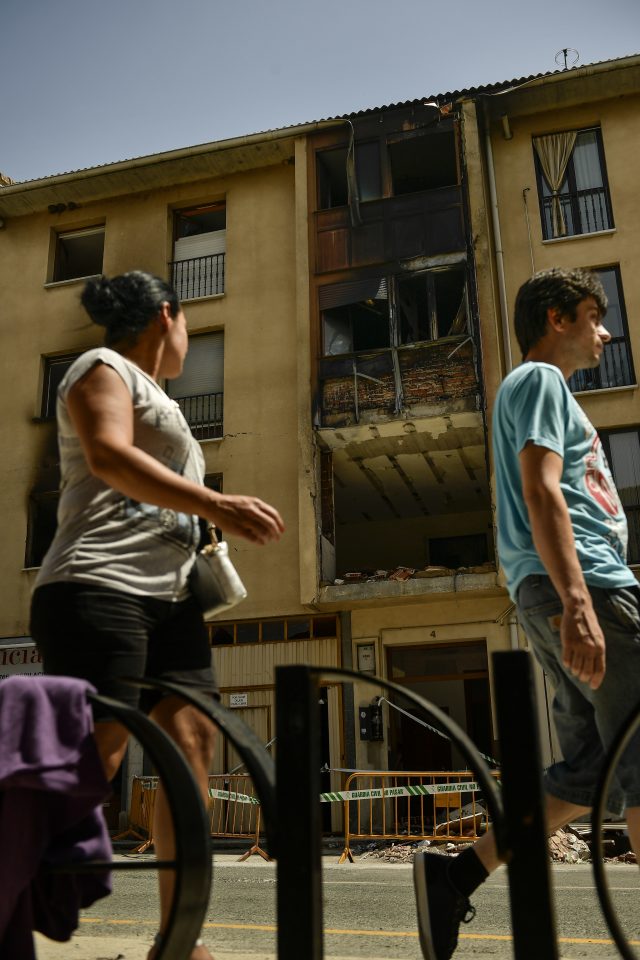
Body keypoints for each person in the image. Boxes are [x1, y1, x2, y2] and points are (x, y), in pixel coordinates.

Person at [30, 271, 285, 960]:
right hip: (97, 586)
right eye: (186, 325)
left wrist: (205, 529)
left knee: (192, 750)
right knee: (101, 754)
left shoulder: (164, 401)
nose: (188, 340)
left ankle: (180, 939)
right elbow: (110, 457)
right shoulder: (101, 366)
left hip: (170, 601)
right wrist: (218, 505)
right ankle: (15, 884)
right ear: (166, 315)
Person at [413, 268, 640, 960]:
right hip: (585, 588)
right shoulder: (540, 381)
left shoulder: (539, 391)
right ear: (554, 317)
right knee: (639, 753)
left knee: (591, 772)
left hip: (551, 590)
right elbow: (543, 492)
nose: (606, 332)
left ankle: (458, 874)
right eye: (594, 316)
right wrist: (579, 602)